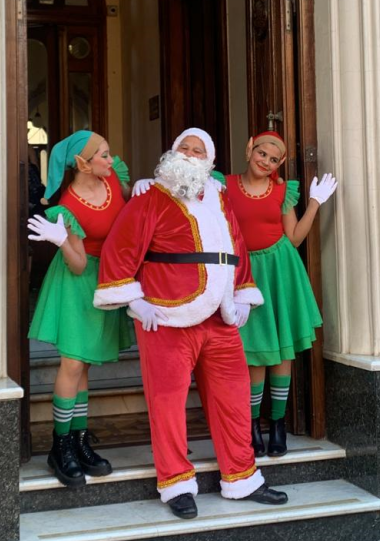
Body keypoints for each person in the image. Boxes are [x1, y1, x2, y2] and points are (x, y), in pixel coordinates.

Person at [94, 128, 289, 520]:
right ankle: (176, 484)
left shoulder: (219, 198)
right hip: (166, 317)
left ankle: (242, 477)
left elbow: (236, 245)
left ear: (210, 161)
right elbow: (121, 246)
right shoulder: (150, 196)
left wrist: (243, 292)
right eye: (183, 147)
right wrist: (134, 300)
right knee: (167, 404)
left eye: (198, 150)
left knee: (234, 399)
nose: (188, 153)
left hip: (220, 317)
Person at [27, 130, 133, 488]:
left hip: (107, 276)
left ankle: (79, 439)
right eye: (103, 155)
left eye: (108, 152)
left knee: (84, 363)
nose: (110, 159)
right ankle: (60, 446)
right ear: (82, 164)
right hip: (77, 281)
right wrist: (60, 240)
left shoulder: (113, 177)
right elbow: (76, 264)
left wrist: (145, 190)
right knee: (72, 363)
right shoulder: (69, 206)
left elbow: (131, 205)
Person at [223, 131, 337, 457]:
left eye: (274, 160)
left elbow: (295, 237)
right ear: (249, 148)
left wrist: (314, 203)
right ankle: (251, 426)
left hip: (280, 270)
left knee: (282, 351)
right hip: (245, 272)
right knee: (255, 351)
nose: (266, 162)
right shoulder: (225, 186)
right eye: (262, 153)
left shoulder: (283, 191)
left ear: (280, 163)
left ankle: (277, 425)